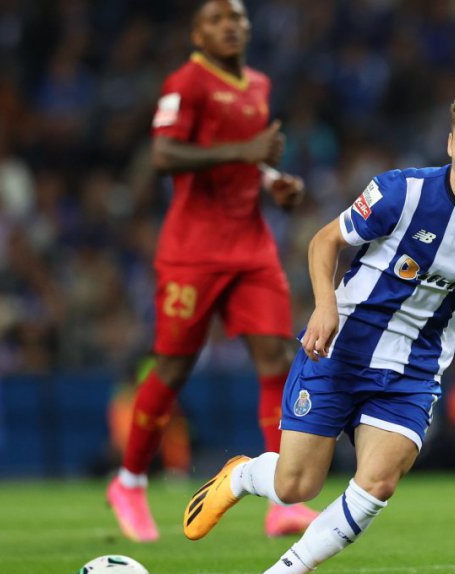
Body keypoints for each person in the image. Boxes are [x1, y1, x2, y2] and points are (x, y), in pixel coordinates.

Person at [182, 85, 455, 574]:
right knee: (296, 485)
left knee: (378, 481)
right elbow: (325, 241)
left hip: (413, 369)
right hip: (340, 348)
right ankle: (240, 475)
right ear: (449, 145)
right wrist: (325, 305)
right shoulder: (402, 192)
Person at [106, 0, 318, 542]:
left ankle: (281, 497)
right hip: (193, 250)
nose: (230, 26)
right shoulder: (187, 82)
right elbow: (163, 154)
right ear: (198, 32)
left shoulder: (259, 85)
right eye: (218, 19)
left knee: (276, 359)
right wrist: (242, 150)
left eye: (238, 18)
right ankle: (129, 482)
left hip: (250, 245)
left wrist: (273, 181)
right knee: (172, 369)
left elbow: (251, 160)